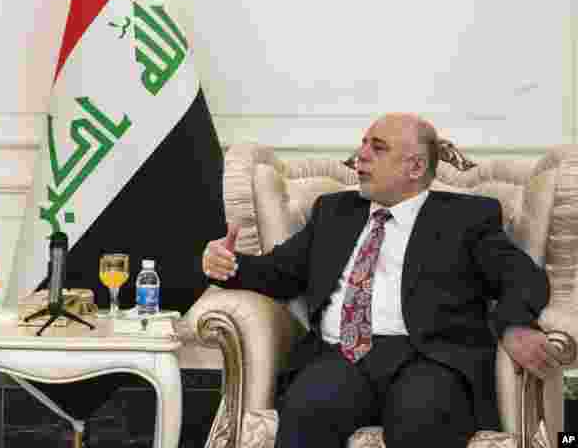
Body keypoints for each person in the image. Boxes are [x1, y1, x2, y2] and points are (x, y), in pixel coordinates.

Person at [202, 113, 558, 448]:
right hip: (339, 355)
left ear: (416, 166)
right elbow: (280, 273)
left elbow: (521, 276)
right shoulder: (333, 212)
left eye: (378, 147)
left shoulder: (466, 217)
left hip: (428, 357)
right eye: (363, 144)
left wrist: (515, 325)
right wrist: (230, 264)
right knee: (308, 411)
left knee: (423, 418)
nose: (361, 155)